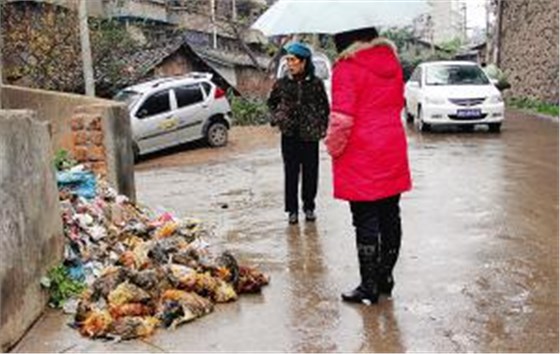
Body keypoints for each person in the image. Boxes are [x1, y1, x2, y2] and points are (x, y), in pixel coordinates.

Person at [325, 27, 412, 304]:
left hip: (361, 153)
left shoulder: (347, 67)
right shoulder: (392, 63)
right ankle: (385, 276)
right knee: (390, 215)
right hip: (391, 146)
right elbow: (398, 102)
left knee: (365, 220)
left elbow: (341, 119)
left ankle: (368, 286)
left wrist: (332, 147)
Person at [267, 42, 330, 225]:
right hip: (289, 135)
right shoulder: (282, 83)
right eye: (287, 60)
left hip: (310, 137)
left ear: (303, 62)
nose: (289, 63)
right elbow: (271, 103)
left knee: (311, 173)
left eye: (293, 60)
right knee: (291, 173)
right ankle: (292, 210)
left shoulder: (316, 84)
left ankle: (309, 207)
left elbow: (324, 108)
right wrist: (278, 118)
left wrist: (320, 127)